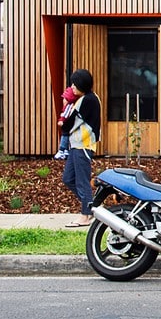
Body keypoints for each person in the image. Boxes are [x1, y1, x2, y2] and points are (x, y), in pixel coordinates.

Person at [61, 69, 101, 228]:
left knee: (82, 181)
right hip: (77, 145)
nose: (72, 87)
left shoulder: (87, 100)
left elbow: (70, 123)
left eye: (74, 84)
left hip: (83, 145)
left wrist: (63, 122)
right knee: (68, 179)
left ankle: (86, 214)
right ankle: (92, 207)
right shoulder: (88, 98)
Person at [53, 86, 79, 160]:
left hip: (67, 125)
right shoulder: (73, 105)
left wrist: (61, 120)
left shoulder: (69, 106)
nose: (63, 101)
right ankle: (66, 151)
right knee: (68, 137)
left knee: (65, 136)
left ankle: (61, 150)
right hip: (71, 125)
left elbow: (65, 115)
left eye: (65, 99)